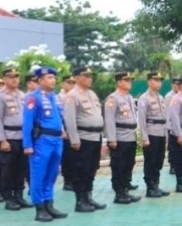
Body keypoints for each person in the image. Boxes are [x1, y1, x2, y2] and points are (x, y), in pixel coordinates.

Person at [22, 66, 68, 222]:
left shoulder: (54, 97)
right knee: (38, 174)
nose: (53, 80)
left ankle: (49, 203)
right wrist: (27, 145)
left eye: (54, 78)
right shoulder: (33, 98)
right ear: (40, 80)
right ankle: (39, 207)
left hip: (56, 140)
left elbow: (58, 117)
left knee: (52, 173)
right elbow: (27, 122)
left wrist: (62, 130)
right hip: (42, 140)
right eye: (49, 78)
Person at [63, 66, 107, 212]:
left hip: (95, 137)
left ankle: (88, 197)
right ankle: (80, 201)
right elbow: (69, 120)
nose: (89, 78)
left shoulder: (92, 94)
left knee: (91, 169)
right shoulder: (72, 95)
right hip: (83, 138)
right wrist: (74, 139)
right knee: (81, 169)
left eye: (90, 76)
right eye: (86, 76)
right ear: (76, 78)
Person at [103, 71, 140, 204]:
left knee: (128, 165)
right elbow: (109, 119)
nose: (129, 82)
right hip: (120, 137)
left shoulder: (129, 98)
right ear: (119, 82)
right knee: (119, 165)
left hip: (130, 136)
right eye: (126, 80)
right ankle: (119, 193)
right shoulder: (113, 99)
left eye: (130, 80)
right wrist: (112, 138)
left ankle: (125, 191)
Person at [1, 67, 31, 211]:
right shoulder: (1, 96)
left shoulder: (23, 96)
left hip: (23, 137)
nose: (14, 79)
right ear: (4, 79)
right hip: (9, 137)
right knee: (7, 169)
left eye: (16, 76)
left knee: (21, 168)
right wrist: (2, 140)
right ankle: (9, 198)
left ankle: (19, 195)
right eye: (10, 76)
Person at [137, 72, 170, 197]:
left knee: (159, 161)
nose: (159, 82)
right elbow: (141, 120)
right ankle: (150, 188)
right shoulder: (144, 99)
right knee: (150, 161)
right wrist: (144, 138)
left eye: (160, 80)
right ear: (149, 82)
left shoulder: (160, 98)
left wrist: (166, 135)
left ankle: (156, 185)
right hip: (151, 133)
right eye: (156, 80)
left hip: (161, 132)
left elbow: (164, 118)